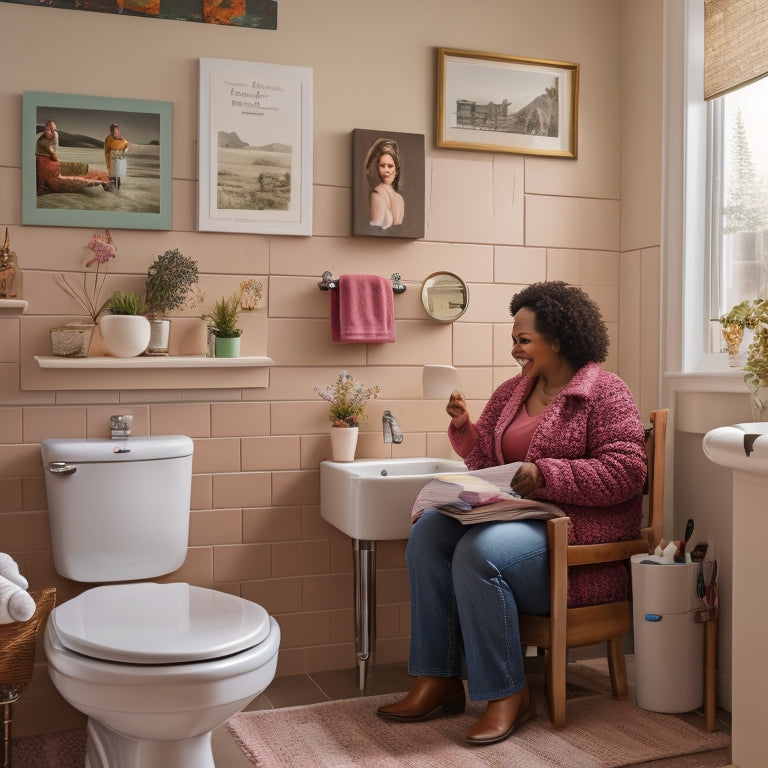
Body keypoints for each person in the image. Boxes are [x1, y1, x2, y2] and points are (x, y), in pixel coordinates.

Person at [377, 281, 647, 745]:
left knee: (479, 553)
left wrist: (545, 474)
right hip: (517, 522)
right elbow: (490, 468)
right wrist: (465, 432)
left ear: (558, 338)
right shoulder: (512, 392)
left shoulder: (605, 392)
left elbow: (626, 472)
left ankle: (508, 694)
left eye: (524, 339)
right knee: (429, 537)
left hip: (573, 543)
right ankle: (438, 679)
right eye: (514, 338)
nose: (515, 349)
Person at [35, 120, 110, 195]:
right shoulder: (43, 138)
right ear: (46, 128)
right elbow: (52, 154)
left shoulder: (49, 137)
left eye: (53, 129)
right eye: (50, 129)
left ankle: (103, 181)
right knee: (68, 180)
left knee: (72, 178)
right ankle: (102, 182)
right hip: (46, 167)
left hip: (48, 166)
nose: (52, 131)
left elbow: (53, 152)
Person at [366, 138, 404, 229]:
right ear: (377, 168)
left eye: (390, 166)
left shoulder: (400, 199)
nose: (386, 170)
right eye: (382, 166)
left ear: (397, 170)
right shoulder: (376, 194)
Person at [104, 123, 130, 188]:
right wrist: (108, 163)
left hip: (119, 157)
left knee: (118, 175)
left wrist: (125, 151)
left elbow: (127, 146)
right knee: (113, 174)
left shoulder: (122, 139)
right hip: (113, 156)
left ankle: (116, 190)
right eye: (112, 130)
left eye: (115, 130)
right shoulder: (109, 138)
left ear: (118, 130)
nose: (114, 132)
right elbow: (106, 151)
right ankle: (111, 189)